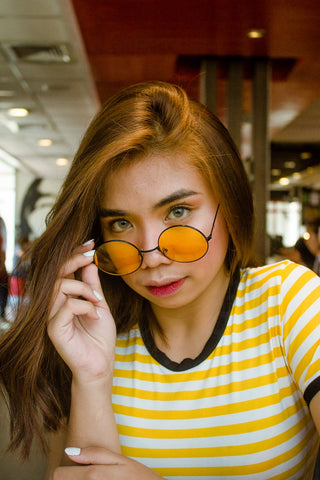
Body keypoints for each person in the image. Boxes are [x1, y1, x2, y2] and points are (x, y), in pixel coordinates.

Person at [0, 81, 320, 480]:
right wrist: (92, 378)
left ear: (231, 203)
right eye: (121, 223)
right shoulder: (92, 335)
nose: (150, 254)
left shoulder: (290, 302)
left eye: (178, 212)